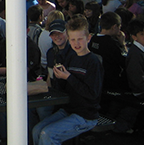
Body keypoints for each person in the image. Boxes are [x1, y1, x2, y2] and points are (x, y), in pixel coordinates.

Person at [32, 15, 103, 145]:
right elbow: (64, 88)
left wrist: (68, 77)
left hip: (85, 115)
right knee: (36, 130)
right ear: (69, 40)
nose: (76, 43)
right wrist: (59, 77)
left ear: (88, 38)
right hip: (68, 110)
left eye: (80, 39)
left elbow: (92, 94)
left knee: (47, 134)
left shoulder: (93, 62)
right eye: (73, 40)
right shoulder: (69, 58)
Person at [89, 12, 128, 90]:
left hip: (97, 79)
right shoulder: (112, 43)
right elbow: (125, 62)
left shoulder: (94, 39)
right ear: (114, 27)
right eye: (119, 27)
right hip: (112, 82)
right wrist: (123, 44)